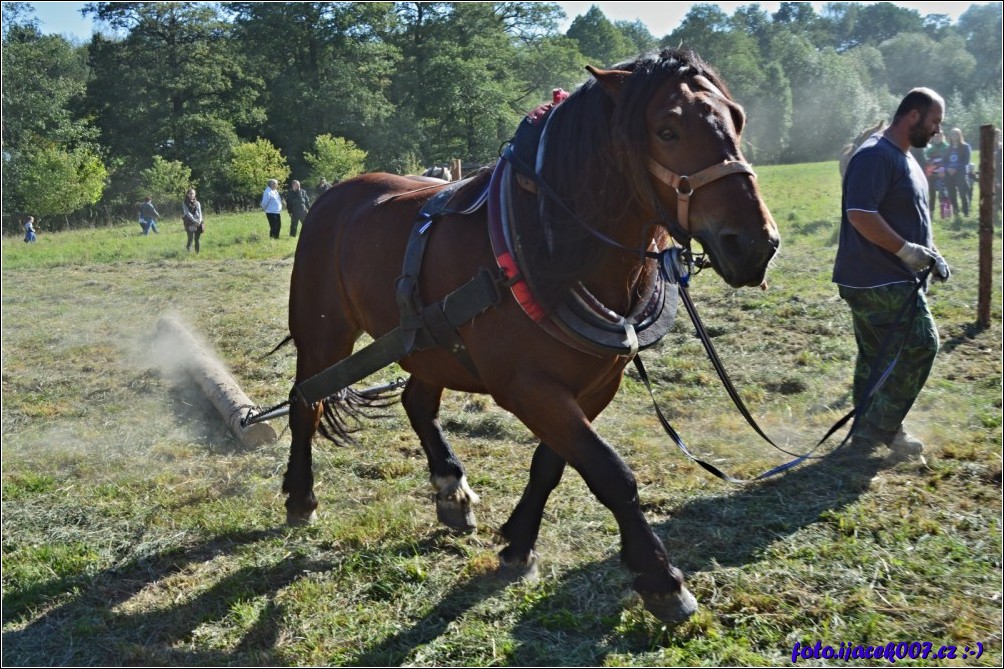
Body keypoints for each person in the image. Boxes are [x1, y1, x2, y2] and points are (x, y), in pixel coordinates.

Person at [833, 87, 950, 460]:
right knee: (921, 344)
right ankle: (879, 429)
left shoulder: (903, 157)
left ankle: (868, 434)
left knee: (876, 356)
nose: (937, 131)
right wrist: (906, 251)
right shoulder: (875, 156)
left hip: (882, 276)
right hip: (877, 278)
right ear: (913, 116)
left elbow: (905, 215)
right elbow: (861, 214)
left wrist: (929, 253)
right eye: (934, 122)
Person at [945, 127, 972, 217]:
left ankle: (966, 212)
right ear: (950, 136)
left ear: (960, 135)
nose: (954, 136)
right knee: (951, 193)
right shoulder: (947, 148)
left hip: (960, 172)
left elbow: (966, 161)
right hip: (949, 173)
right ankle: (956, 212)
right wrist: (948, 168)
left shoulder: (965, 147)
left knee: (962, 193)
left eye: (956, 134)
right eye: (952, 134)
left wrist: (955, 168)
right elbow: (944, 161)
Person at [923, 131, 948, 217]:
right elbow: (927, 162)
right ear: (932, 138)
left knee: (943, 194)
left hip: (943, 174)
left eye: (939, 136)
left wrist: (944, 170)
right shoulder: (929, 149)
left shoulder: (947, 147)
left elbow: (948, 161)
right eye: (935, 137)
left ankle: (945, 214)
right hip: (932, 174)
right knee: (932, 194)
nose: (937, 138)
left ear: (942, 137)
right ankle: (931, 213)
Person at [182, 188, 204, 253]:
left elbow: (200, 213)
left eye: (193, 194)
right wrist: (194, 221)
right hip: (189, 222)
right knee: (190, 239)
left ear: (195, 194)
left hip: (198, 222)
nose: (192, 195)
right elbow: (187, 213)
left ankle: (197, 253)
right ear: (187, 194)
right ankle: (187, 253)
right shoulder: (184, 203)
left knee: (197, 239)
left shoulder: (198, 203)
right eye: (190, 194)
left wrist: (199, 221)